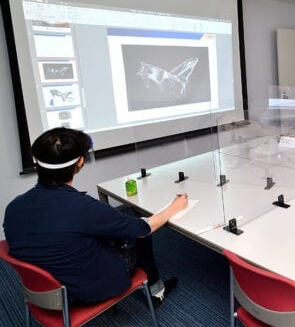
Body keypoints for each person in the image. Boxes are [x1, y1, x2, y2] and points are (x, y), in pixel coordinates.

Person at [3, 127, 188, 306]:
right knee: (137, 230)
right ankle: (156, 291)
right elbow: (142, 229)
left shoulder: (13, 207)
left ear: (36, 162)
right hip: (87, 290)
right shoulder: (83, 208)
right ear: (80, 163)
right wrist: (174, 207)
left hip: (45, 291)